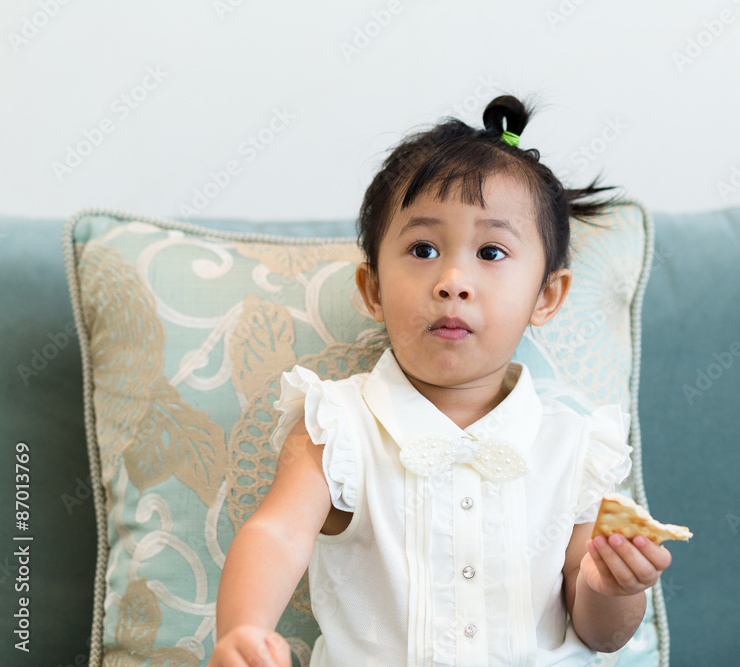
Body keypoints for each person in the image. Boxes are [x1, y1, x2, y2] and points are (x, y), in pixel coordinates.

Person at [209, 94, 673, 666]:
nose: (453, 280)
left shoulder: (575, 450)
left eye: (492, 251)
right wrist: (242, 630)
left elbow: (600, 634)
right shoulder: (338, 427)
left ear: (547, 296)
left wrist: (614, 588)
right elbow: (277, 535)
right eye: (423, 249)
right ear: (373, 288)